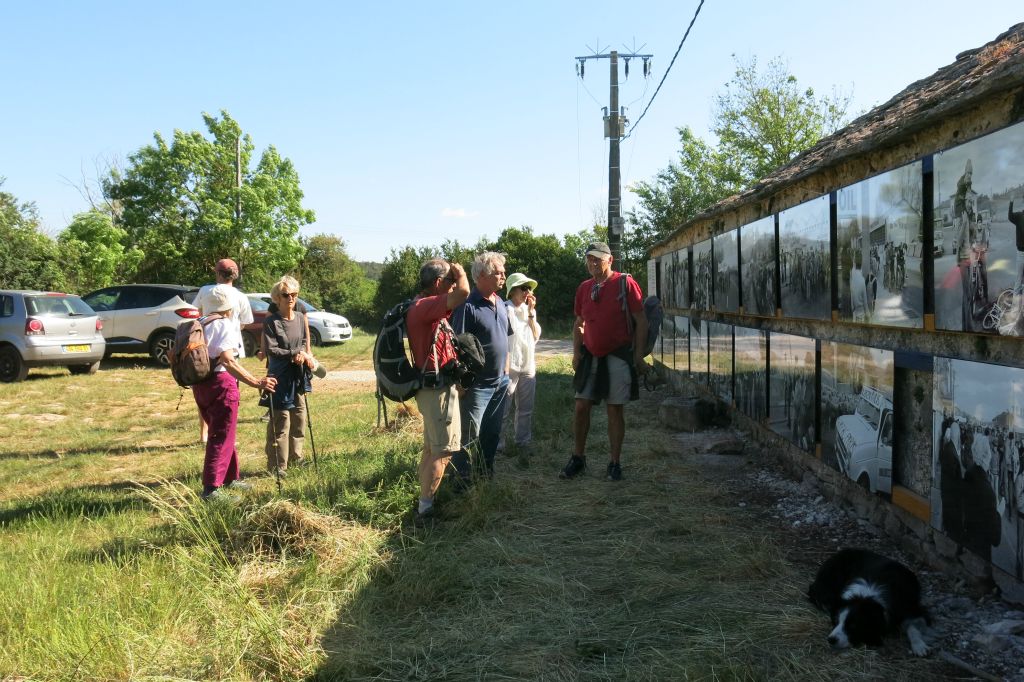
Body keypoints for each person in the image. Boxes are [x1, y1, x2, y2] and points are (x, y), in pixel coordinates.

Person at [562, 242, 648, 482]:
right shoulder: (584, 288)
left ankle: (614, 462)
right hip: (591, 355)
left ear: (610, 260)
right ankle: (578, 458)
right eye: (589, 259)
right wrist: (576, 353)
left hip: (618, 354)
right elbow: (578, 323)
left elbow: (641, 321)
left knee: (614, 408)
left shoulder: (625, 284)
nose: (592, 263)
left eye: (597, 259)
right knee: (581, 406)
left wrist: (638, 356)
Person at [190, 284, 276, 502]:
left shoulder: (198, 323)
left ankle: (230, 477)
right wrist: (255, 381)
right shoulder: (224, 325)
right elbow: (228, 360)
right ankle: (211, 489)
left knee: (224, 431)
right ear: (230, 308)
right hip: (220, 384)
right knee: (220, 434)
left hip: (201, 384)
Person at [406, 258, 470, 521]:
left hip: (436, 387)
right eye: (449, 281)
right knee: (443, 451)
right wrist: (462, 273)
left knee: (433, 449)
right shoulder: (424, 306)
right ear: (436, 283)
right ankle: (426, 511)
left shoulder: (425, 306)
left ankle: (425, 503)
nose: (454, 284)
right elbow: (464, 293)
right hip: (436, 390)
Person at [451, 252, 513, 479]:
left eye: (503, 272)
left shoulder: (501, 303)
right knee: (468, 435)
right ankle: (462, 481)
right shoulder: (467, 306)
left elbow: (506, 339)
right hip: (477, 385)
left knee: (492, 433)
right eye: (498, 272)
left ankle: (486, 474)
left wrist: (505, 370)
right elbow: (457, 344)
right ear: (481, 276)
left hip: (499, 382)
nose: (503, 276)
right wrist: (462, 383)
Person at [194, 258, 254, 443]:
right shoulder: (241, 296)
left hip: (203, 347)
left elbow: (196, 312)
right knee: (229, 394)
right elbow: (246, 322)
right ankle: (226, 433)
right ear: (235, 275)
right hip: (229, 348)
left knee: (203, 389)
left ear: (218, 273)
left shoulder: (205, 290)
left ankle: (205, 433)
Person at [262, 276, 314, 476]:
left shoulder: (300, 317)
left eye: (294, 294)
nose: (291, 298)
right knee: (281, 420)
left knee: (299, 416)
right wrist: (294, 355)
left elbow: (302, 340)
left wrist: (302, 352)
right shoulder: (271, 322)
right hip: (279, 376)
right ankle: (277, 466)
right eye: (286, 295)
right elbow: (272, 350)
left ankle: (296, 458)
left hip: (298, 375)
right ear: (277, 298)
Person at [499, 272, 541, 456]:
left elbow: (535, 336)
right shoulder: (504, 309)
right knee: (503, 410)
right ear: (512, 290)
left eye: (529, 289)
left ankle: (523, 442)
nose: (527, 292)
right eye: (523, 288)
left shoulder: (529, 311)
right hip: (509, 365)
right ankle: (498, 445)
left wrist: (531, 313)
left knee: (526, 409)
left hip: (528, 365)